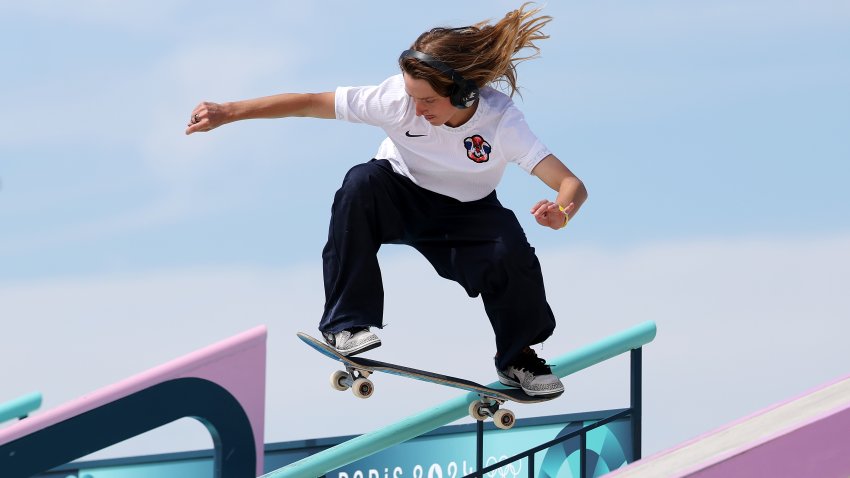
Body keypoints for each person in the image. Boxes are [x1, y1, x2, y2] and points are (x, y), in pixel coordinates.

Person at [185, 3, 587, 397]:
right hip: (397, 192)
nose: (417, 109)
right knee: (359, 183)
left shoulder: (501, 121)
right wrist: (229, 111)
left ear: (463, 93)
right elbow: (310, 102)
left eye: (428, 100)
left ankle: (518, 357)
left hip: (468, 213)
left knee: (510, 251)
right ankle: (346, 324)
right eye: (412, 97)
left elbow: (569, 182)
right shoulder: (395, 100)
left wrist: (562, 213)